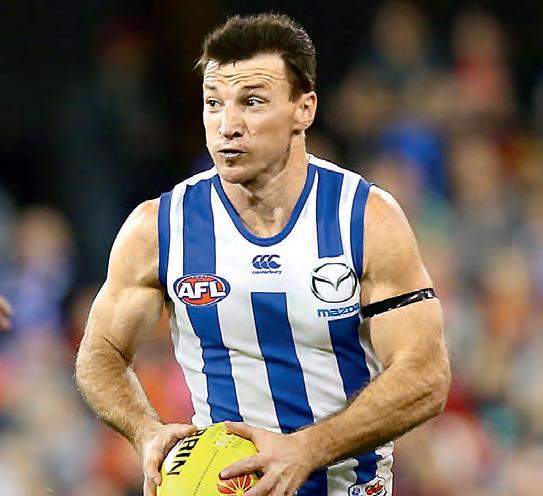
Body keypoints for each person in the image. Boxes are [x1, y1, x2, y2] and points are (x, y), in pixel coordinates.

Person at [75, 13, 451, 496]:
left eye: (251, 102)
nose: (228, 126)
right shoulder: (159, 228)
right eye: (214, 103)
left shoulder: (364, 219)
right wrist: (145, 430)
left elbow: (426, 376)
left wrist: (308, 449)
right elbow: (100, 353)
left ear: (304, 109)